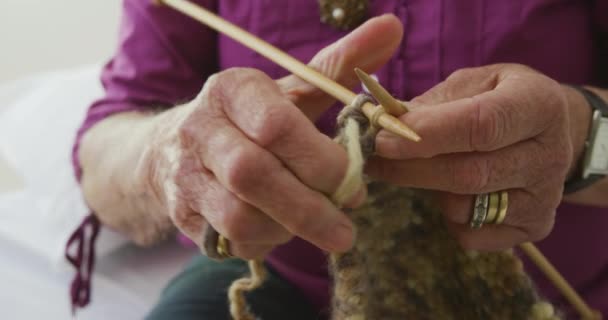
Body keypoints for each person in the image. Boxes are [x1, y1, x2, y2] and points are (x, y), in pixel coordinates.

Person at [71, 0, 608, 319]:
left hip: (548, 289)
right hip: (279, 280)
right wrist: (167, 155)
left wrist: (581, 136)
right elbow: (104, 149)